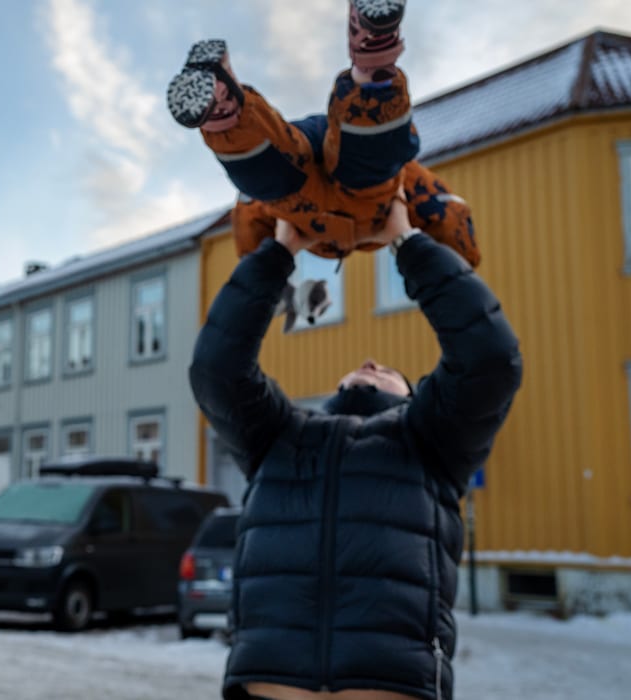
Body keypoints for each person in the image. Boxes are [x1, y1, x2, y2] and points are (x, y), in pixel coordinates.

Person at [188, 195, 522, 700]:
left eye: (387, 370)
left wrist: (407, 243)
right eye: (365, 366)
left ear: (412, 396)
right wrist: (281, 251)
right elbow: (217, 369)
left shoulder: (431, 441)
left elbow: (490, 359)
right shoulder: (278, 436)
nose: (370, 360)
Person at [167, 0, 480, 267]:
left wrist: (274, 263)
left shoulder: (408, 182)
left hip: (302, 178)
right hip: (336, 185)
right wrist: (458, 257)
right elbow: (448, 211)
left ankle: (227, 117)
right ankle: (372, 70)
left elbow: (248, 224)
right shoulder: (409, 182)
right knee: (368, 163)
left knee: (267, 172)